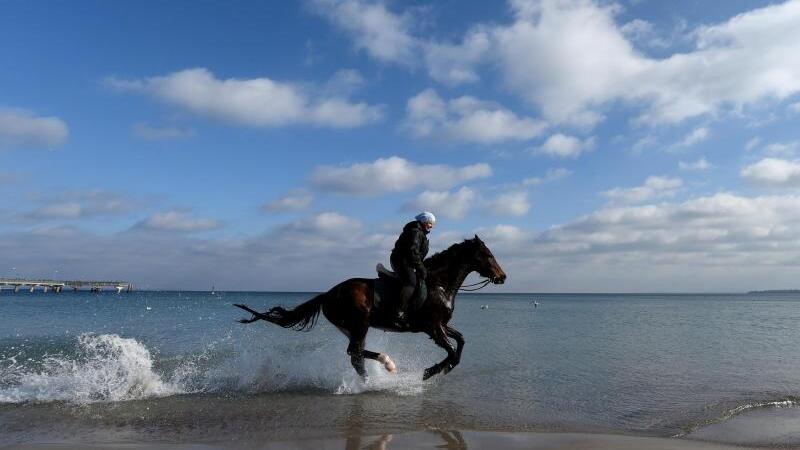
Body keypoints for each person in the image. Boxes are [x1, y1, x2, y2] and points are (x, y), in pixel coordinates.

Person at [390, 211, 435, 326]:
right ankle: (398, 312)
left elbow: (417, 255)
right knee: (411, 282)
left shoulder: (421, 233)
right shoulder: (415, 232)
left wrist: (422, 267)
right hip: (401, 261)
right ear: (424, 222)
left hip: (409, 261)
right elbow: (412, 252)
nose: (432, 226)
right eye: (430, 223)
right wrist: (420, 268)